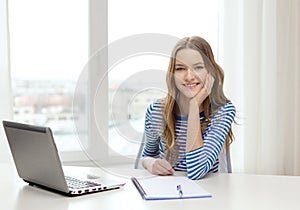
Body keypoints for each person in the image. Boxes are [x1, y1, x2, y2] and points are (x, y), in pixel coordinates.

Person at [141, 36, 236, 180]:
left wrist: (194, 107)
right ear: (172, 74)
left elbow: (196, 171)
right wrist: (150, 163)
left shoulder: (223, 111)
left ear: (210, 72)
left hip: (209, 195)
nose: (189, 76)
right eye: (180, 68)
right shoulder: (156, 111)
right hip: (166, 193)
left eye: (198, 67)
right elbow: (147, 155)